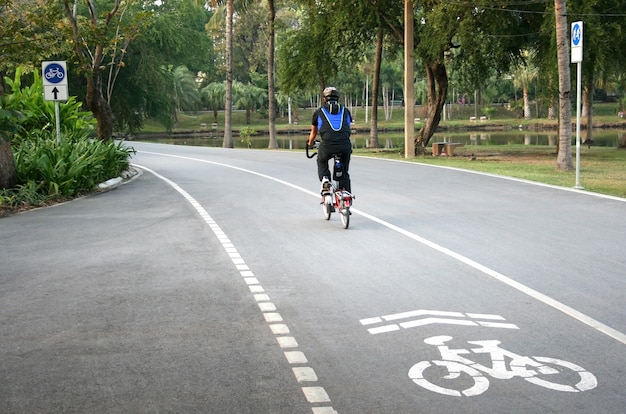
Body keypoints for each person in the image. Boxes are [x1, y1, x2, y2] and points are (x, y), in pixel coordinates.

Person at [307, 86, 353, 194]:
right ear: (338, 98)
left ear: (324, 99)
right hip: (344, 146)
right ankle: (345, 195)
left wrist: (310, 143)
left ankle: (325, 179)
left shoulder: (319, 112)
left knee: (321, 160)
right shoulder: (345, 111)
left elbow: (313, 133)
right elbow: (346, 128)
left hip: (327, 146)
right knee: (344, 171)